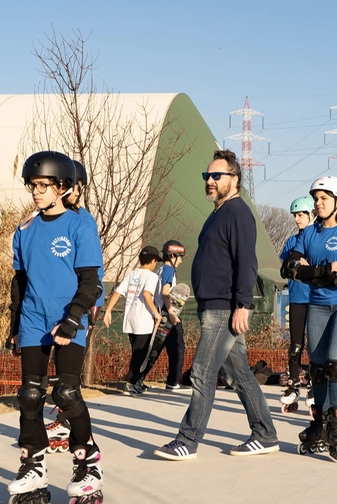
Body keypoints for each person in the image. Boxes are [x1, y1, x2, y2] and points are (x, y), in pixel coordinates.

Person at [154, 150, 279, 460]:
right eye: (206, 176)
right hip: (212, 305)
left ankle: (187, 440)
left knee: (201, 373)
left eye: (216, 176)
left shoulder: (237, 212)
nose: (209, 181)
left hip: (225, 307)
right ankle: (265, 434)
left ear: (233, 180)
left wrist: (243, 305)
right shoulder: (218, 213)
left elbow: (246, 263)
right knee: (239, 375)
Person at [6, 151, 106, 504]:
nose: (36, 191)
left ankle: (86, 461)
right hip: (33, 318)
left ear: (63, 187)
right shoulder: (25, 229)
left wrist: (74, 318)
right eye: (33, 185)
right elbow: (19, 282)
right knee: (30, 394)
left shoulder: (81, 225)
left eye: (44, 185)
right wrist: (14, 326)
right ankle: (33, 463)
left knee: (65, 391)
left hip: (67, 318)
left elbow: (92, 282)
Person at [280, 176, 337, 460]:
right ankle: (320, 421)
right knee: (317, 368)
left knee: (336, 362)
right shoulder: (308, 233)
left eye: (323, 199)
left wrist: (314, 270)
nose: (317, 204)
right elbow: (289, 269)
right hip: (317, 304)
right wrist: (323, 270)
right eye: (315, 199)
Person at [102, 245, 162, 396]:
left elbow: (118, 292)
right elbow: (147, 294)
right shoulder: (152, 276)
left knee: (137, 352)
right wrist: (156, 313)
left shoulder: (132, 274)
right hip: (143, 320)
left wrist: (108, 310)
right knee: (140, 354)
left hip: (130, 319)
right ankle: (130, 383)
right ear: (153, 261)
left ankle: (135, 382)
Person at [279, 197, 315, 413]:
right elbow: (283, 264)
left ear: (311, 214)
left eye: (300, 214)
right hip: (297, 297)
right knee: (295, 345)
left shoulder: (318, 239)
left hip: (316, 298)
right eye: (294, 215)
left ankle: (312, 387)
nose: (296, 219)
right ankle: (293, 385)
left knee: (315, 347)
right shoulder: (292, 241)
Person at [151, 240, 188, 392]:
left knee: (155, 348)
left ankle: (138, 378)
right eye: (180, 257)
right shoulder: (168, 270)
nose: (181, 260)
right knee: (178, 347)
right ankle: (173, 381)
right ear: (172, 256)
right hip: (168, 314)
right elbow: (165, 292)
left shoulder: (159, 270)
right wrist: (172, 312)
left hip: (159, 312)